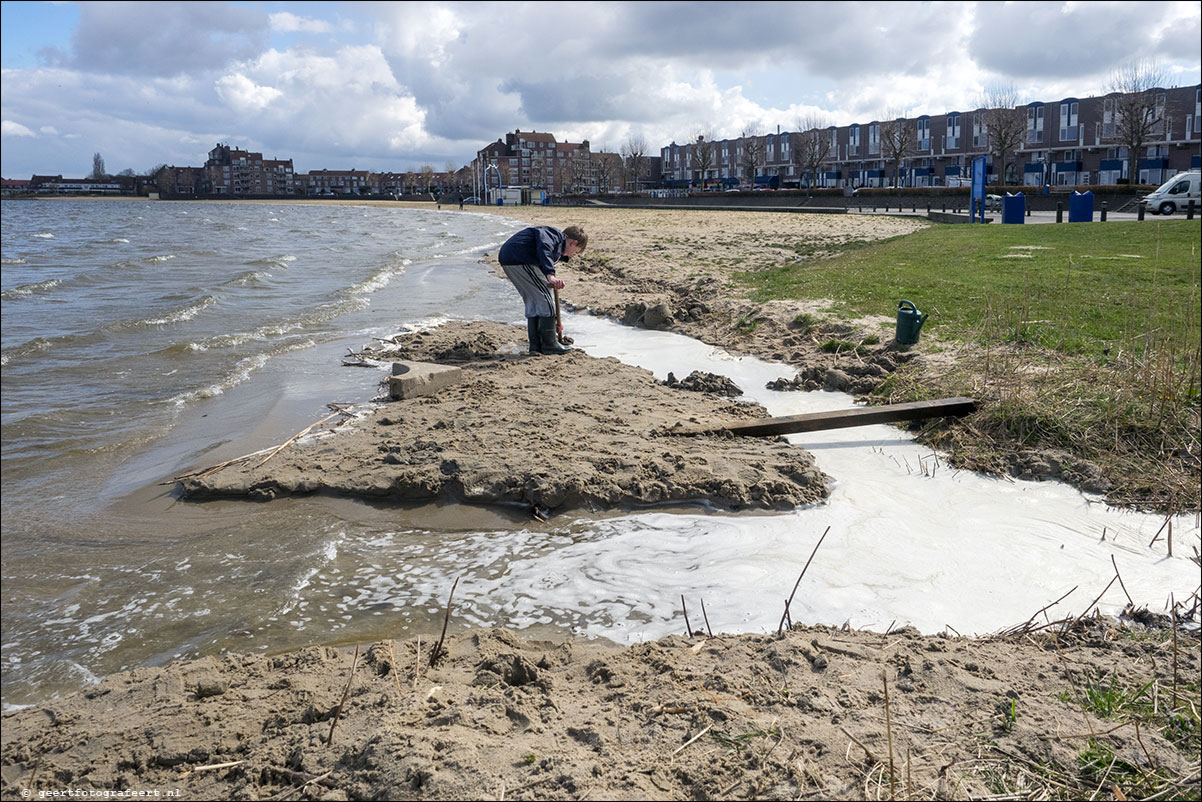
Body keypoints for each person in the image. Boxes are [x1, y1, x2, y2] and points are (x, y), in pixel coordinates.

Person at [497, 225, 587, 355]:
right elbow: (544, 248)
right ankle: (549, 345)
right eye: (576, 251)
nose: (573, 255)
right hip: (520, 258)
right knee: (546, 299)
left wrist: (554, 322)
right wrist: (550, 275)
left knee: (534, 301)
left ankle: (536, 345)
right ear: (574, 243)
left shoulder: (556, 244)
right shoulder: (554, 235)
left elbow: (543, 256)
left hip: (510, 258)